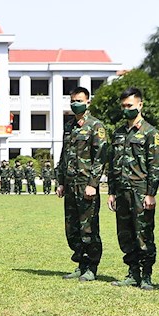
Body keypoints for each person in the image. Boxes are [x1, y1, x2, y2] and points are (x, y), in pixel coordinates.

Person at [107, 87, 159, 290]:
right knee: (125, 234)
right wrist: (111, 192)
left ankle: (146, 275)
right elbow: (113, 165)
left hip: (140, 191)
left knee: (144, 233)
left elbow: (154, 166)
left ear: (140, 105)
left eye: (129, 105)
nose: (126, 109)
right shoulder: (119, 133)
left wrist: (151, 193)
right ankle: (132, 272)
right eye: (123, 106)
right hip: (122, 191)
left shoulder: (150, 133)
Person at [56, 86, 108, 281]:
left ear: (88, 102)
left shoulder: (96, 126)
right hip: (70, 185)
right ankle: (80, 263)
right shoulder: (68, 126)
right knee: (72, 228)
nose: (75, 103)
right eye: (73, 100)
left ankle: (91, 267)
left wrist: (93, 184)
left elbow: (100, 158)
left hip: (86, 185)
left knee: (89, 228)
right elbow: (64, 155)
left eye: (79, 100)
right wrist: (60, 181)